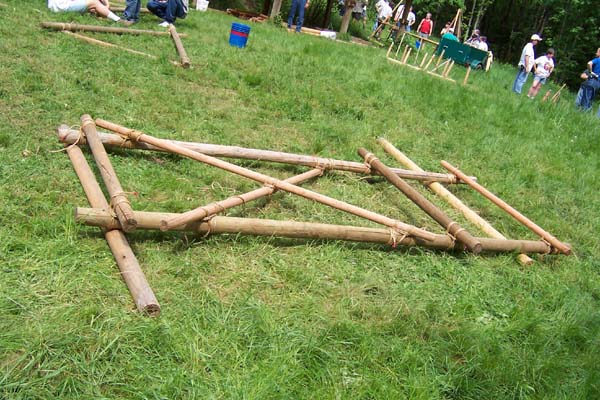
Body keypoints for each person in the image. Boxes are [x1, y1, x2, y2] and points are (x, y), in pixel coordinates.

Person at [47, 0, 127, 24]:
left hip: (55, 6)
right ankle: (118, 20)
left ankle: (100, 13)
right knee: (94, 3)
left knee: (92, 4)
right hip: (61, 7)